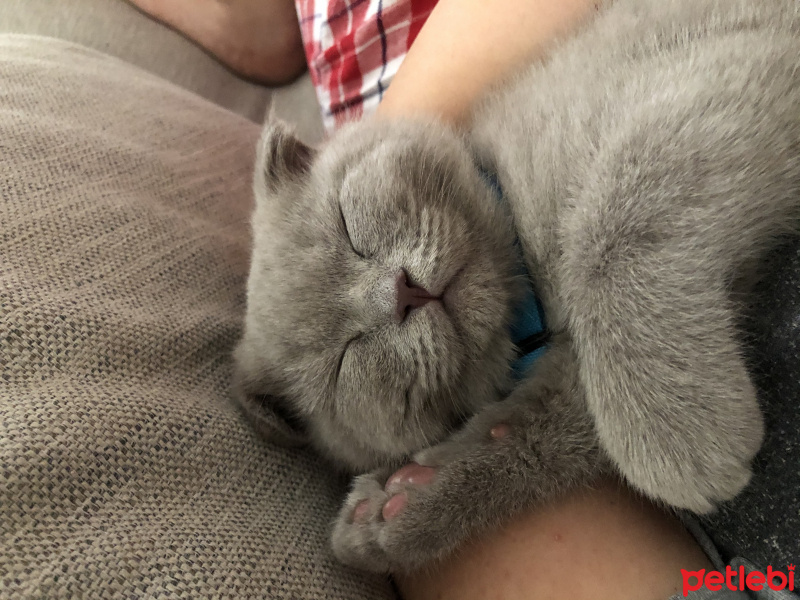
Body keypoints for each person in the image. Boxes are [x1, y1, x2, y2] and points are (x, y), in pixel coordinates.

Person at [126, 1, 771, 598]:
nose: (391, 294)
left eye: (352, 225)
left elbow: (760, 72)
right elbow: (593, 389)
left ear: (310, 157)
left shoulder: (531, 148)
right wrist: (489, 476)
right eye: (347, 358)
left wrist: (627, 269)